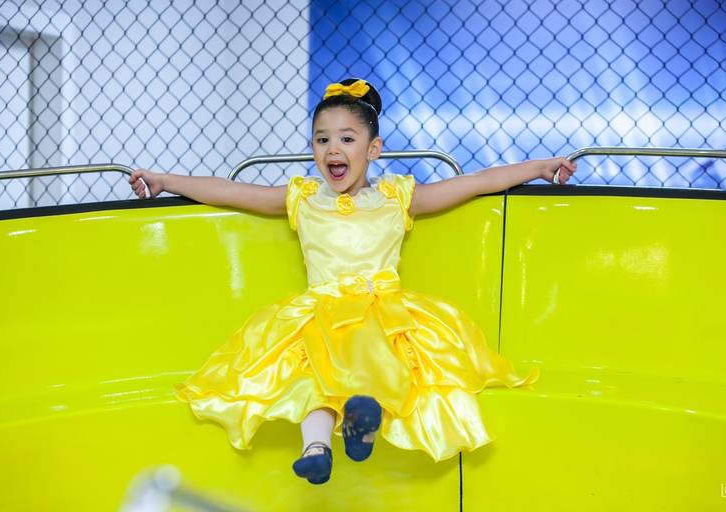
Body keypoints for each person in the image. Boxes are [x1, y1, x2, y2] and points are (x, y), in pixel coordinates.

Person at [128, 78, 576, 485]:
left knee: (377, 356)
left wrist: (538, 168)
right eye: (322, 139)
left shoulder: (397, 197)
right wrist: (164, 180)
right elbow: (230, 191)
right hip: (321, 309)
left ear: (373, 149)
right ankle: (316, 449)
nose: (333, 149)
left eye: (347, 138)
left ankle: (364, 422)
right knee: (310, 370)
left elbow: (476, 182)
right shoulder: (303, 198)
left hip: (381, 308)